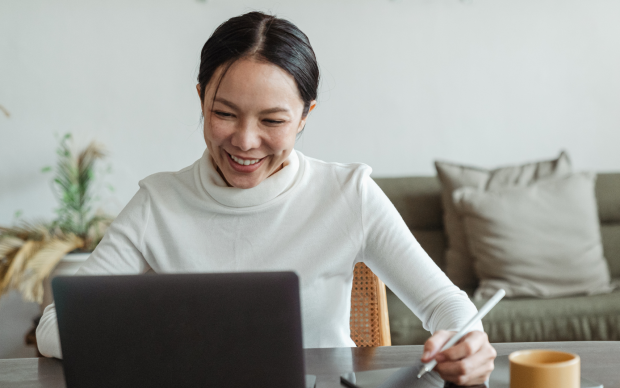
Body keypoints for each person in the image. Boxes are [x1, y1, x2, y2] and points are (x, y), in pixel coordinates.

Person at [36, 11, 496, 385]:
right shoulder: (159, 203)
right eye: (223, 113)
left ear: (304, 116)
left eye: (273, 121)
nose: (245, 141)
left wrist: (466, 341)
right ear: (201, 100)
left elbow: (446, 304)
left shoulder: (348, 194)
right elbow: (55, 327)